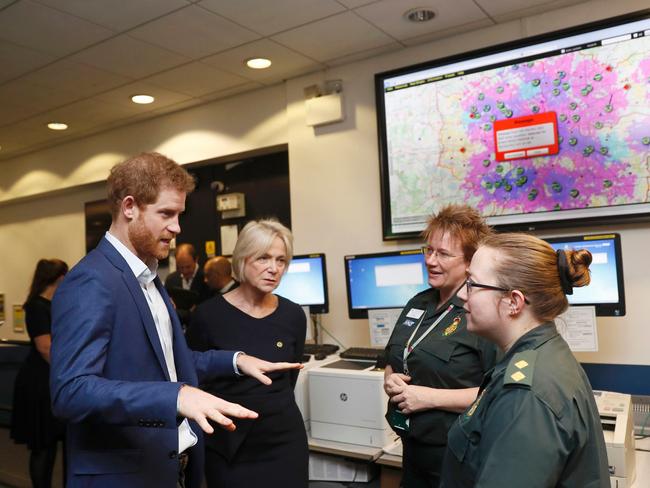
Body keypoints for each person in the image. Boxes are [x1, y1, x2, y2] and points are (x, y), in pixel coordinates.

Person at [50, 152, 301, 488]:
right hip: (125, 474)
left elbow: (170, 364)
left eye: (179, 214)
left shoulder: (147, 278)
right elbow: (71, 391)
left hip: (170, 467)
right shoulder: (93, 280)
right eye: (166, 214)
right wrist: (176, 397)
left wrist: (236, 361)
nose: (177, 227)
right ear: (129, 207)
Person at [440, 233, 609, 487]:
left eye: (472, 284)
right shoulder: (544, 354)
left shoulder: (526, 396)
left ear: (513, 302)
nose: (462, 295)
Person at [187, 219, 308, 488]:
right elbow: (191, 373)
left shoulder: (293, 315)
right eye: (263, 258)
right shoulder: (208, 315)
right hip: (230, 443)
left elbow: (289, 380)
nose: (273, 269)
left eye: (281, 260)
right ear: (242, 259)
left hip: (284, 440)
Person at [383, 204, 497, 487]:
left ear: (470, 262)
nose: (431, 261)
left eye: (443, 254)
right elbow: (394, 357)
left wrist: (429, 398)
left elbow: (498, 394)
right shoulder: (418, 302)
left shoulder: (482, 311)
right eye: (429, 250)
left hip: (458, 455)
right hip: (412, 448)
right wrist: (390, 379)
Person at [11, 258, 68, 488]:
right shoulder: (36, 306)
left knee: (58, 443)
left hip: (52, 381)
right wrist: (70, 373)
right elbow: (45, 348)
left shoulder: (55, 304)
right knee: (44, 448)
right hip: (40, 384)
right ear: (57, 278)